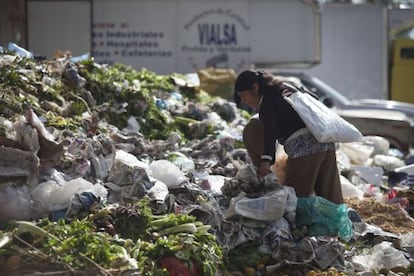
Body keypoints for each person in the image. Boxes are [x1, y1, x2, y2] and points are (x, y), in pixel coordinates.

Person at [234, 70, 344, 204]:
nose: (244, 101)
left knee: (294, 201)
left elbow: (270, 132)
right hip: (326, 144)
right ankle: (339, 223)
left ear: (255, 88)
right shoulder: (285, 89)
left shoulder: (267, 102)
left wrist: (266, 161)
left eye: (244, 95)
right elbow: (313, 98)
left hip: (304, 150)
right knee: (331, 197)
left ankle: (299, 225)